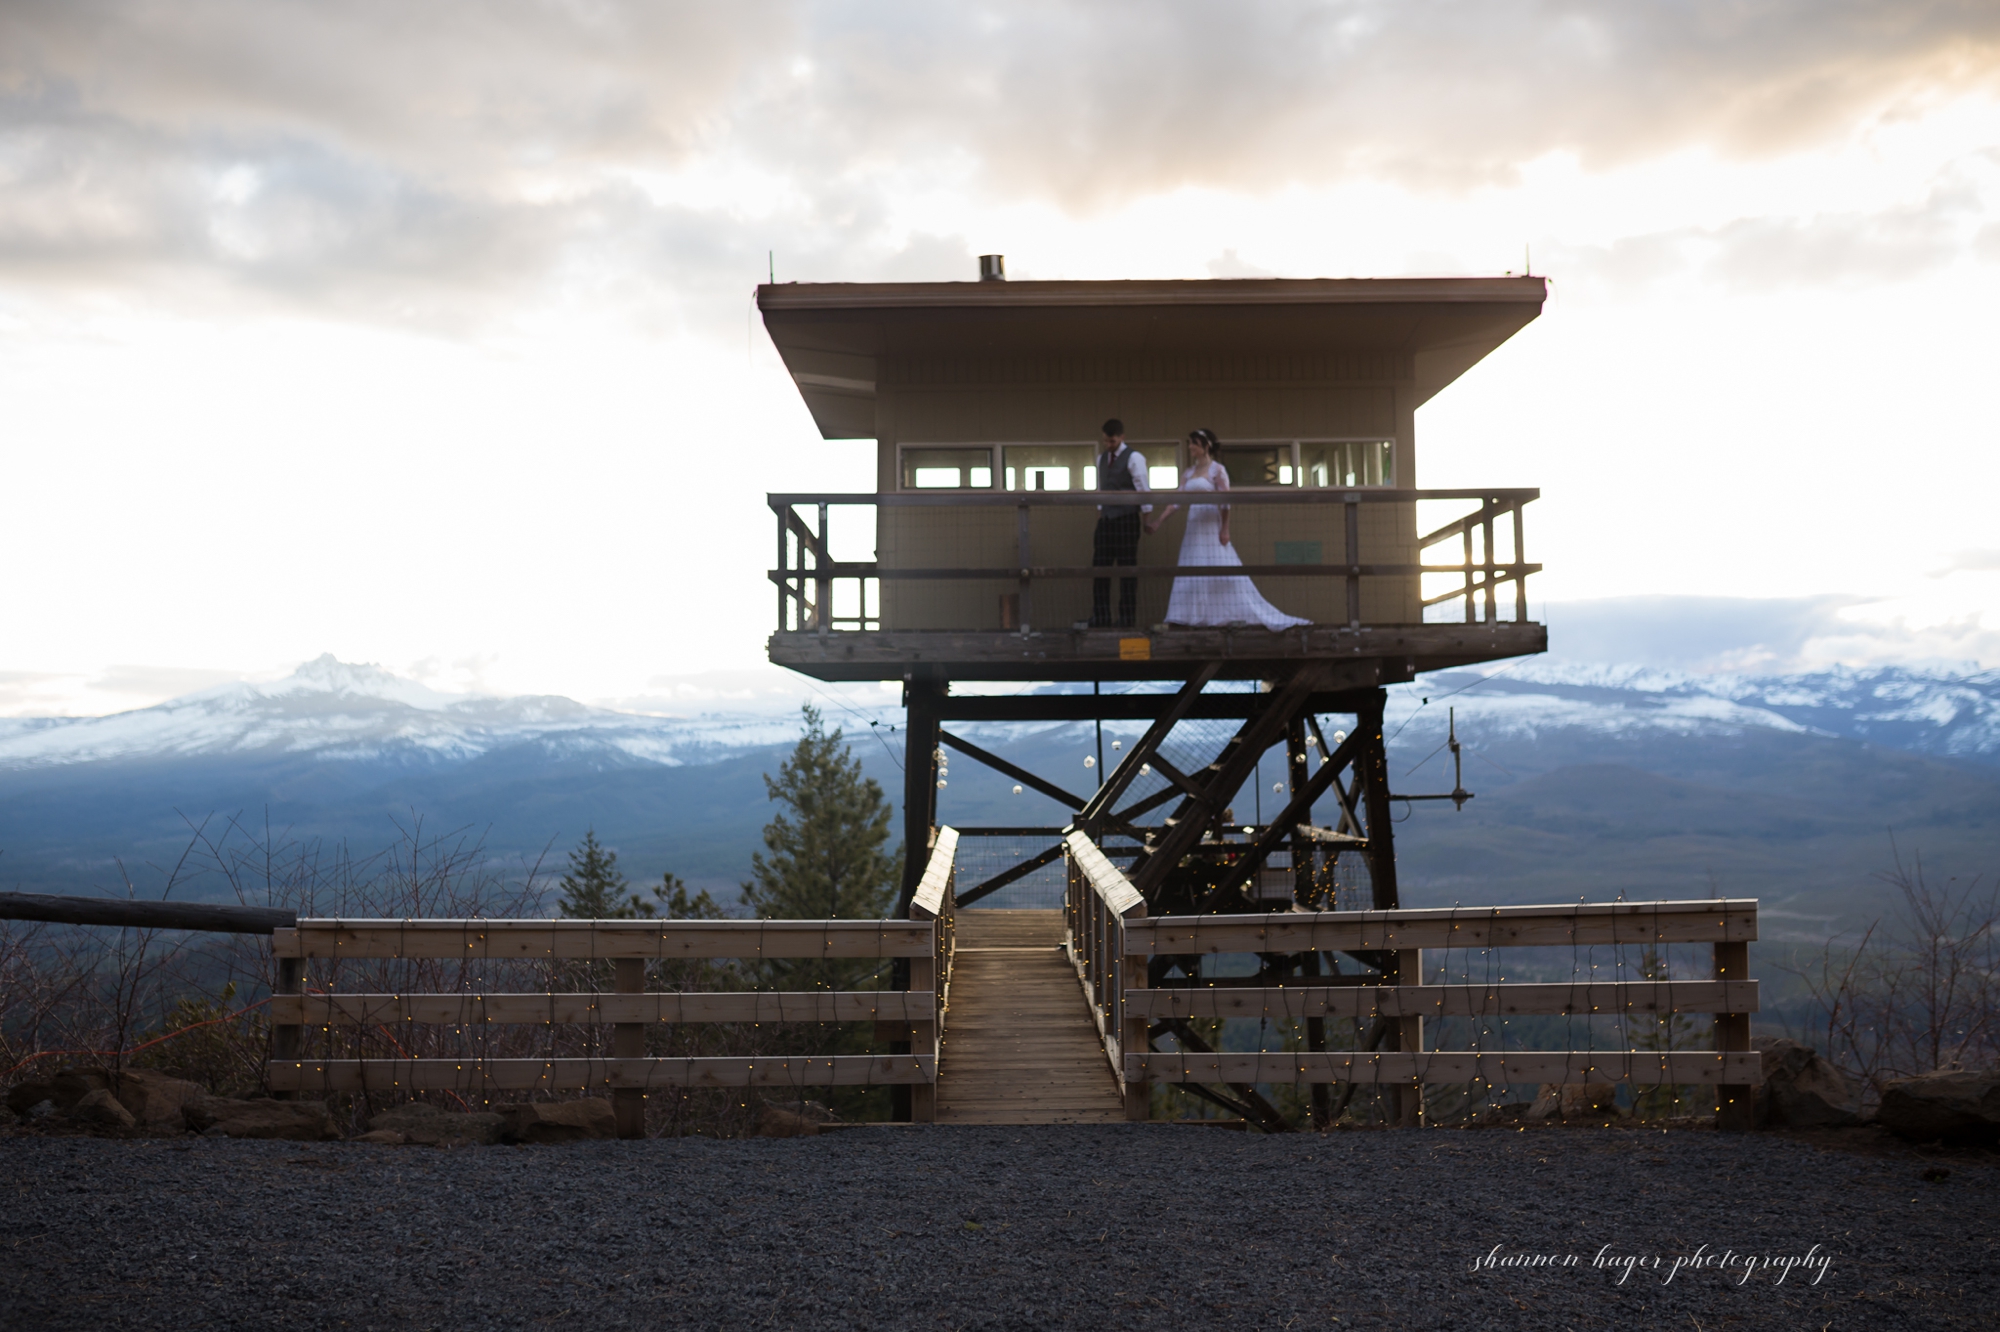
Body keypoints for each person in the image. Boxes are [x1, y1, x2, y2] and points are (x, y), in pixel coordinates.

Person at [1145, 428, 1309, 629]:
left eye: (1194, 443)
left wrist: (1225, 529)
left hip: (1211, 523)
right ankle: (1189, 616)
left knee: (1219, 565)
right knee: (1192, 565)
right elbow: (1177, 501)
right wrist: (1159, 520)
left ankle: (1225, 612)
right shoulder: (1188, 473)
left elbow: (1226, 502)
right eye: (1189, 443)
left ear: (1205, 446)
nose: (1190, 447)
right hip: (1194, 523)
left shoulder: (1217, 470)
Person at [1089, 419, 1151, 627]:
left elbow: (1143, 489)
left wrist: (1146, 518)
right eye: (1105, 441)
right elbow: (1101, 488)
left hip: (1126, 519)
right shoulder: (1101, 459)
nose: (1108, 445)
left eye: (1112, 441)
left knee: (1127, 571)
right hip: (1106, 520)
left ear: (1121, 437)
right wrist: (1100, 514)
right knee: (1100, 569)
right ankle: (1101, 616)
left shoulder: (1134, 458)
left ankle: (1126, 618)